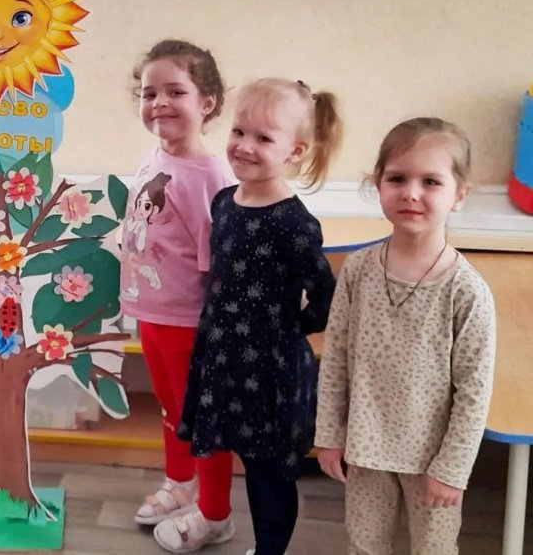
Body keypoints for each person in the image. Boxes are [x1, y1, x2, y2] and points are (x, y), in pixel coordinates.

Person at [176, 78, 342, 555]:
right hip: (225, 359)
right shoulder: (224, 202)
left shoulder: (295, 223)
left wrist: (291, 330)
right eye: (239, 131)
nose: (245, 146)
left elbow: (325, 295)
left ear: (295, 151)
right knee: (247, 460)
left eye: (263, 138)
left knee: (269, 472)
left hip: (270, 370)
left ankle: (270, 549)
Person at [315, 117, 496, 554]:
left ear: (459, 194)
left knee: (434, 548)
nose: (411, 193)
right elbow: (335, 357)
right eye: (397, 178)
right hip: (365, 446)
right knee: (365, 544)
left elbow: (474, 390)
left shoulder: (466, 291)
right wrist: (329, 434)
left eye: (430, 181)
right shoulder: (358, 270)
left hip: (431, 457)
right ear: (378, 183)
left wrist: (452, 468)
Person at [119, 40, 236, 552]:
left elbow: (217, 264)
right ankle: (181, 482)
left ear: (207, 102)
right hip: (153, 312)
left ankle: (215, 513)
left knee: (203, 418)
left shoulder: (211, 177)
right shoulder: (156, 156)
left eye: (175, 91)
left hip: (190, 322)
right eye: (150, 93)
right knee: (171, 407)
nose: (159, 102)